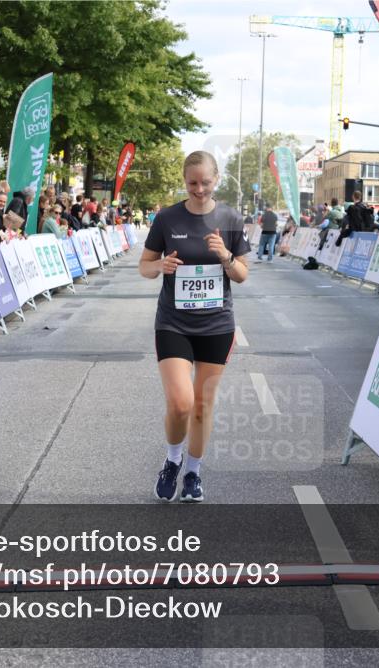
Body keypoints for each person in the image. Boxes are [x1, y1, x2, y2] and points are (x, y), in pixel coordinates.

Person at [139, 150, 250, 503]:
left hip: (217, 325)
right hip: (174, 322)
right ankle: (172, 461)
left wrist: (225, 256)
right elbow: (144, 265)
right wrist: (161, 266)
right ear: (184, 182)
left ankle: (193, 472)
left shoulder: (230, 218)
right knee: (181, 403)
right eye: (192, 183)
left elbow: (242, 275)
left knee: (202, 405)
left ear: (216, 179)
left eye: (205, 182)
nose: (199, 189)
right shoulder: (168, 218)